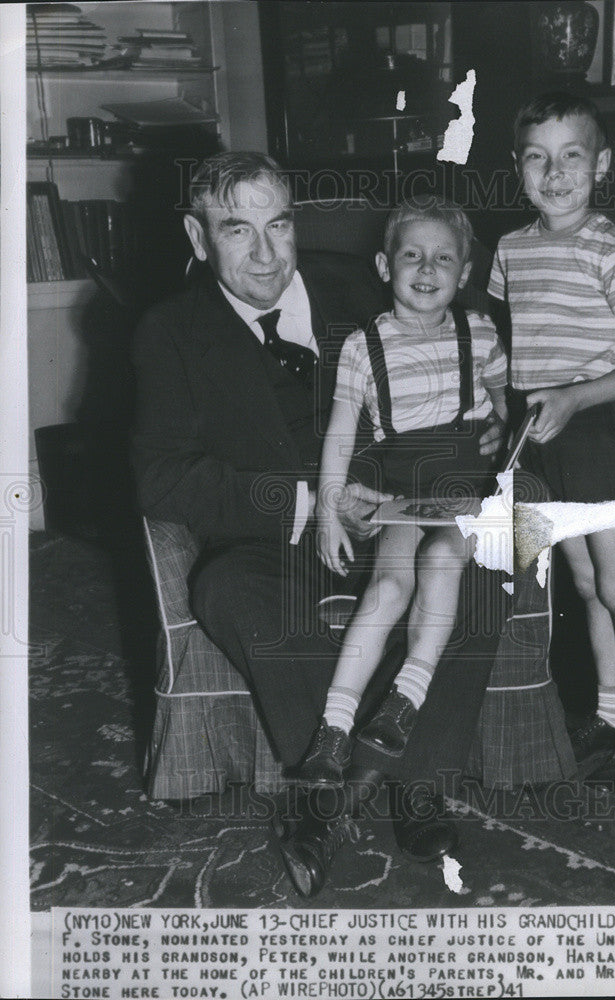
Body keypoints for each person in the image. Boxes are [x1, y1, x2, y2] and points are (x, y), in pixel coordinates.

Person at [131, 152, 506, 897]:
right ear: (199, 238)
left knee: (487, 563)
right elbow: (161, 475)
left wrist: (492, 421)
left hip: (413, 502)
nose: (267, 255)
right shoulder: (168, 333)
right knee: (229, 589)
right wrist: (311, 498)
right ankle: (383, 780)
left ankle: (353, 797)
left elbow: (467, 337)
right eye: (238, 231)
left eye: (280, 225)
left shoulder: (359, 283)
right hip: (283, 534)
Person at [488, 92, 615, 786]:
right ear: (518, 167)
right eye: (538, 157)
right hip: (538, 430)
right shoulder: (509, 249)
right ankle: (608, 710)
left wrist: (576, 396)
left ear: (601, 164)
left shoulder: (613, 252)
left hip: (593, 429)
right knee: (586, 582)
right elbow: (514, 345)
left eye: (572, 156)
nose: (555, 172)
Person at [296, 197, 508, 787]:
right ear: (385, 267)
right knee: (389, 584)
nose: (427, 268)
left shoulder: (481, 330)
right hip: (407, 493)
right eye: (412, 255)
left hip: (473, 491)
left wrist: (503, 425)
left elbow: (504, 396)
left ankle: (405, 699)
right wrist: (329, 510)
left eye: (444, 259)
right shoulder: (363, 346)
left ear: (464, 275)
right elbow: (340, 431)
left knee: (442, 557)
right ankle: (333, 731)